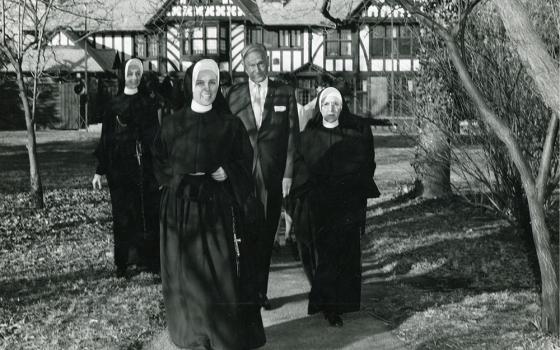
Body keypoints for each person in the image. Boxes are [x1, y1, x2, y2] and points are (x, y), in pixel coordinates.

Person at [152, 59, 266, 350]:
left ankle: (220, 336)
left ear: (219, 85)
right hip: (181, 210)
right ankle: (193, 336)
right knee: (187, 276)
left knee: (219, 273)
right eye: (201, 83)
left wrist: (228, 170)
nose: (207, 89)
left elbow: (245, 159)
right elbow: (159, 160)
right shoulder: (173, 123)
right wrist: (175, 180)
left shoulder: (230, 124)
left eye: (212, 82)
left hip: (217, 208)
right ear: (191, 85)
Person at [290, 87, 380, 327]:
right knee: (323, 257)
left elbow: (366, 165)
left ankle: (340, 304)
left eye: (336, 105)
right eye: (327, 104)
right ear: (320, 107)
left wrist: (351, 186)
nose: (331, 109)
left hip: (345, 205)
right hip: (317, 206)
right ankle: (328, 305)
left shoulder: (354, 134)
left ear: (342, 107)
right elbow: (300, 169)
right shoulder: (308, 136)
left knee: (344, 256)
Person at [227, 44, 300, 310]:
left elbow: (293, 136)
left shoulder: (284, 92)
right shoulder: (233, 95)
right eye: (251, 65)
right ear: (243, 67)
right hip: (243, 176)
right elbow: (226, 136)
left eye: (261, 63)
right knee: (245, 236)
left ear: (267, 62)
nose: (257, 70)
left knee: (266, 236)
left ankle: (260, 293)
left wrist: (288, 173)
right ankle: (245, 293)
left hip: (272, 175)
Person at [92, 58, 160, 277]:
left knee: (146, 212)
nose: (133, 78)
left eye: (137, 74)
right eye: (130, 74)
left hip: (144, 167)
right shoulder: (113, 105)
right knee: (123, 215)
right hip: (119, 169)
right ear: (124, 76)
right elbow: (106, 139)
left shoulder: (148, 104)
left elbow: (156, 138)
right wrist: (100, 170)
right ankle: (123, 264)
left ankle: (147, 261)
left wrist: (158, 167)